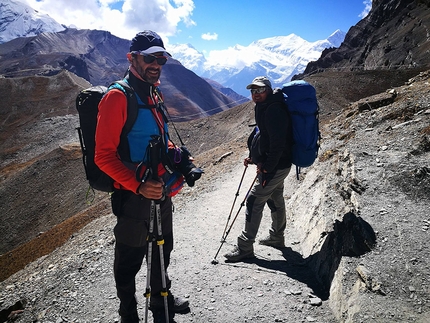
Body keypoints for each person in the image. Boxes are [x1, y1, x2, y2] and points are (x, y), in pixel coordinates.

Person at [95, 30, 191, 323]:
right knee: (129, 259)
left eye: (161, 58)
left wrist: (178, 156)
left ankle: (161, 302)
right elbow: (103, 156)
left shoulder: (154, 92)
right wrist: (137, 185)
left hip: (160, 191)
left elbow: (159, 139)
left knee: (163, 249)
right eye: (150, 57)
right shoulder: (117, 97)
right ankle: (128, 312)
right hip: (133, 196)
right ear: (132, 58)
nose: (156, 64)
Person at [224, 76, 293, 262]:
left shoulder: (274, 110)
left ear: (268, 90)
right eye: (253, 91)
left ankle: (245, 247)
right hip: (280, 164)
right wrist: (255, 158)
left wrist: (267, 168)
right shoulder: (265, 107)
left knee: (254, 200)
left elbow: (278, 144)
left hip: (277, 166)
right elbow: (264, 137)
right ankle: (277, 237)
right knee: (275, 197)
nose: (255, 94)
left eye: (260, 90)